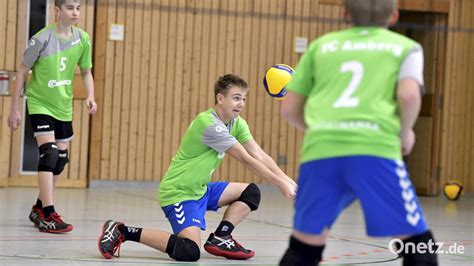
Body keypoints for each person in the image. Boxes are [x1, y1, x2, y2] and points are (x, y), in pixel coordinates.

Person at [279, 0, 438, 265]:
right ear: (394, 16)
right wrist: (405, 132)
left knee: (304, 245)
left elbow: (289, 109)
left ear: (345, 14)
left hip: (321, 152)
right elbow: (409, 96)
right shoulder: (405, 47)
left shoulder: (321, 46)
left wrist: (321, 130)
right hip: (374, 150)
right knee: (417, 244)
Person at [98, 74, 297, 262]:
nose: (241, 104)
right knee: (189, 251)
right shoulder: (209, 124)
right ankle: (122, 231)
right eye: (236, 98)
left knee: (251, 192)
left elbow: (259, 154)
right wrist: (280, 183)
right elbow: (246, 159)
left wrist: (288, 180)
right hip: (179, 193)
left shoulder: (237, 123)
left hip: (201, 189)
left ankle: (221, 236)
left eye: (244, 98)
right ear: (220, 98)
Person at [7, 0, 96, 233]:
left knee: (61, 158)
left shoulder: (83, 39)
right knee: (49, 154)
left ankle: (38, 208)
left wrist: (90, 96)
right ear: (57, 11)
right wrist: (14, 108)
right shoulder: (41, 39)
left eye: (78, 8)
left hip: (63, 106)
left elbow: (86, 71)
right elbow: (22, 71)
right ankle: (48, 213)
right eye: (69, 7)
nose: (75, 12)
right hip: (40, 103)